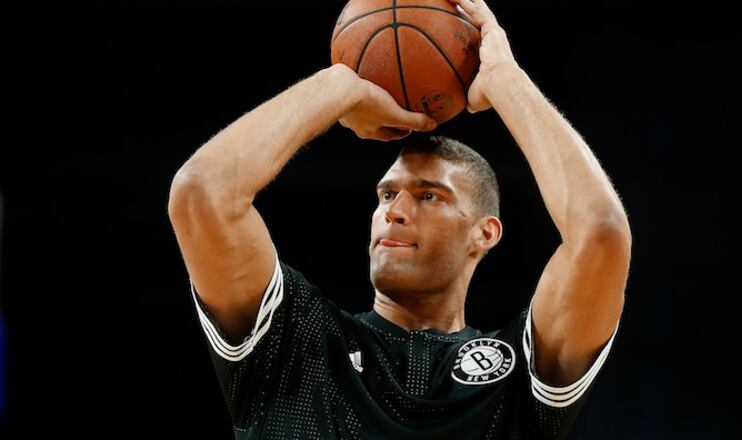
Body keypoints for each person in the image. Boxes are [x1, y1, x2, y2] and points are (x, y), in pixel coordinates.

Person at [167, 0, 631, 438]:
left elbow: (601, 231)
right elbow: (201, 193)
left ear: (484, 234)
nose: (395, 211)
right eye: (387, 194)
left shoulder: (522, 372)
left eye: (429, 196)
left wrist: (505, 79)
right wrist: (340, 85)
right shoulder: (295, 338)